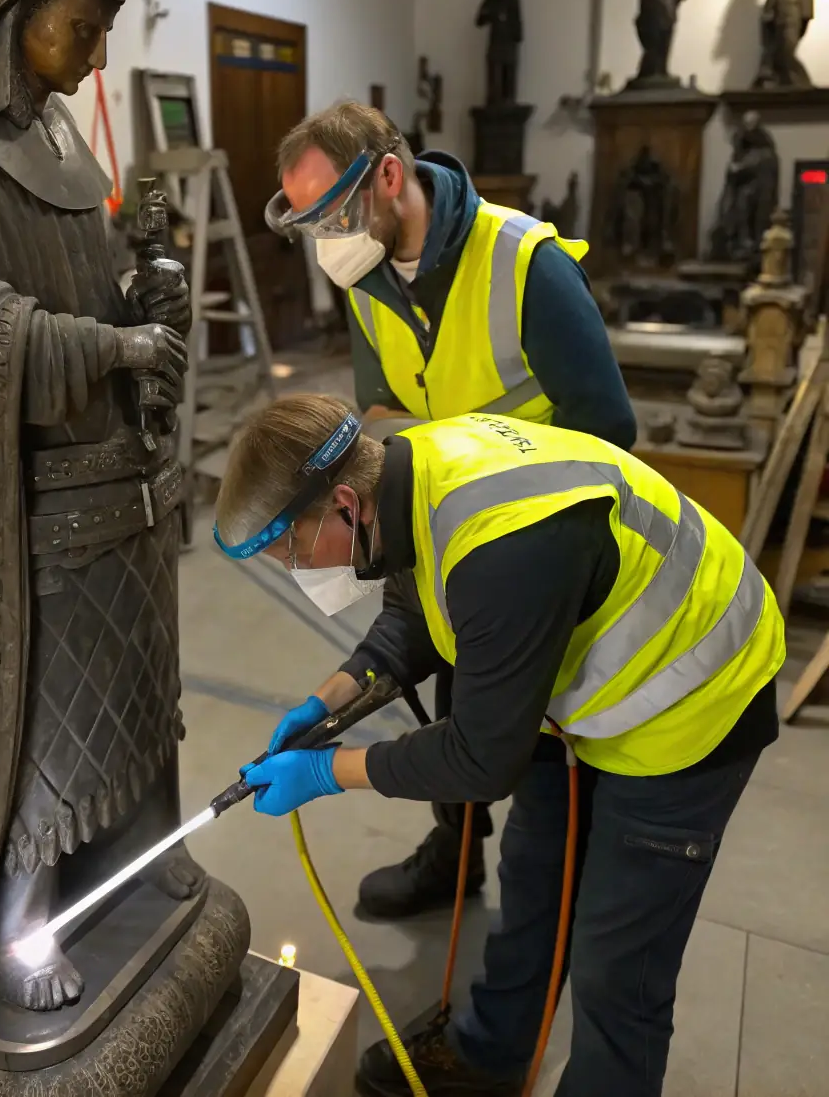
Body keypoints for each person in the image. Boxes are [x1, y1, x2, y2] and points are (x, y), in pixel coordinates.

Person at [213, 394, 784, 1097]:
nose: (297, 570)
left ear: (342, 503)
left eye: (292, 550)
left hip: (692, 696)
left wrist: (325, 770)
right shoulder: (405, 469)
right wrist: (329, 701)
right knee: (533, 868)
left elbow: (481, 757)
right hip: (574, 683)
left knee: (617, 961)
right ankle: (492, 1053)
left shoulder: (503, 544)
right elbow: (413, 610)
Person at [265, 101, 636, 920]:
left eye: (333, 212)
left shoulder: (521, 262)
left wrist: (494, 481)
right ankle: (456, 848)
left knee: (519, 743)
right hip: (443, 529)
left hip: (537, 547)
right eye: (311, 223)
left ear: (389, 177)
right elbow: (381, 414)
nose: (327, 239)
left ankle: (538, 907)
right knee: (441, 687)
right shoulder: (365, 282)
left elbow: (611, 430)